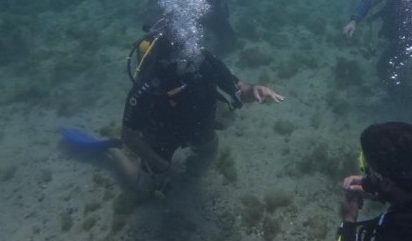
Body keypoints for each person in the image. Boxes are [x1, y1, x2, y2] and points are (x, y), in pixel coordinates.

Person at [111, 19, 283, 193]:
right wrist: (164, 166)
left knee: (209, 151)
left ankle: (210, 128)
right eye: (179, 50)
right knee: (143, 190)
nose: (187, 56)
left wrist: (254, 90)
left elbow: (237, 88)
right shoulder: (150, 83)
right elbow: (129, 135)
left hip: (198, 125)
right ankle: (114, 152)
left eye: (188, 44)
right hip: (161, 136)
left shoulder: (205, 61)